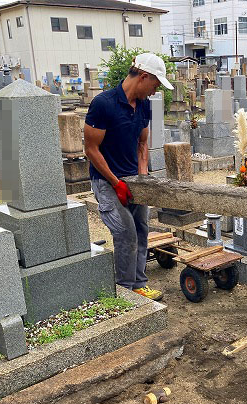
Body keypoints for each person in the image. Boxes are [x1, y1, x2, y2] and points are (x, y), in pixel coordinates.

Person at [84, 53, 173, 301]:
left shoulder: (144, 105)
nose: (154, 92)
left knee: (142, 229)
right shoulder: (104, 104)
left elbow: (142, 144)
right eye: (155, 85)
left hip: (133, 180)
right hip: (106, 181)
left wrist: (141, 179)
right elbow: (90, 150)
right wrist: (116, 182)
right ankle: (125, 290)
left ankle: (138, 284)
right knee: (126, 233)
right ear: (143, 77)